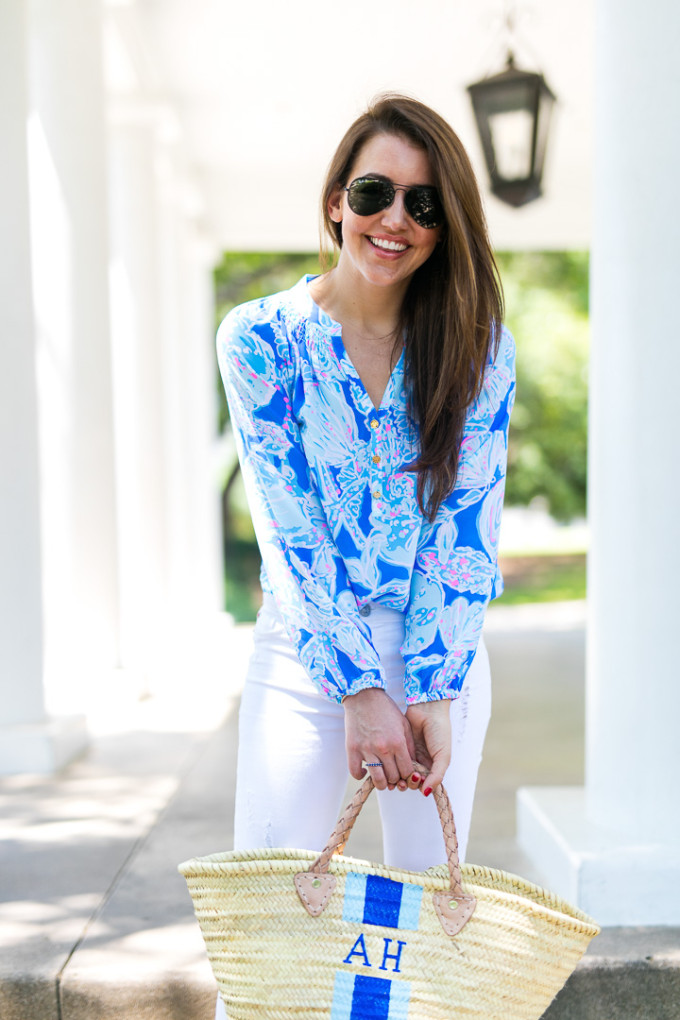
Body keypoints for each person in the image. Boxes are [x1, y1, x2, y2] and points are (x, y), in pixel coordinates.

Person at [213, 93, 515, 1019]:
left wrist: (425, 687)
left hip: (439, 666)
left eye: (426, 205)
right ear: (337, 200)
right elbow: (290, 530)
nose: (398, 220)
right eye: (378, 192)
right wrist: (357, 686)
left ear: (445, 224)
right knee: (273, 935)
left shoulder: (477, 345)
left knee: (427, 942)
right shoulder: (258, 338)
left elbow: (467, 532)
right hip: (307, 659)